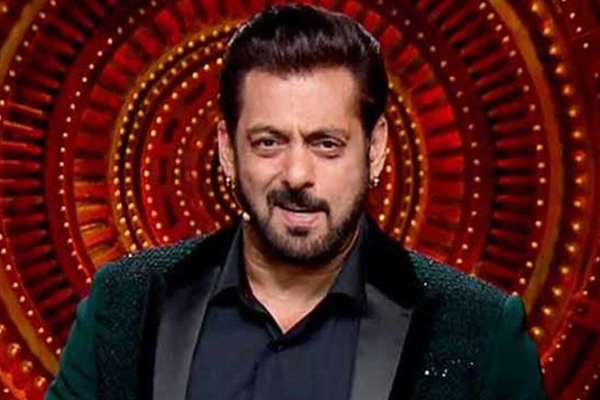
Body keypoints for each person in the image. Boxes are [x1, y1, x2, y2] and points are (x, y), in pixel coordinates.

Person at [46, 4, 547, 400]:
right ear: (227, 150)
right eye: (269, 142)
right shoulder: (126, 303)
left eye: (326, 144)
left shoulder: (481, 330)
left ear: (375, 149)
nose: (297, 174)